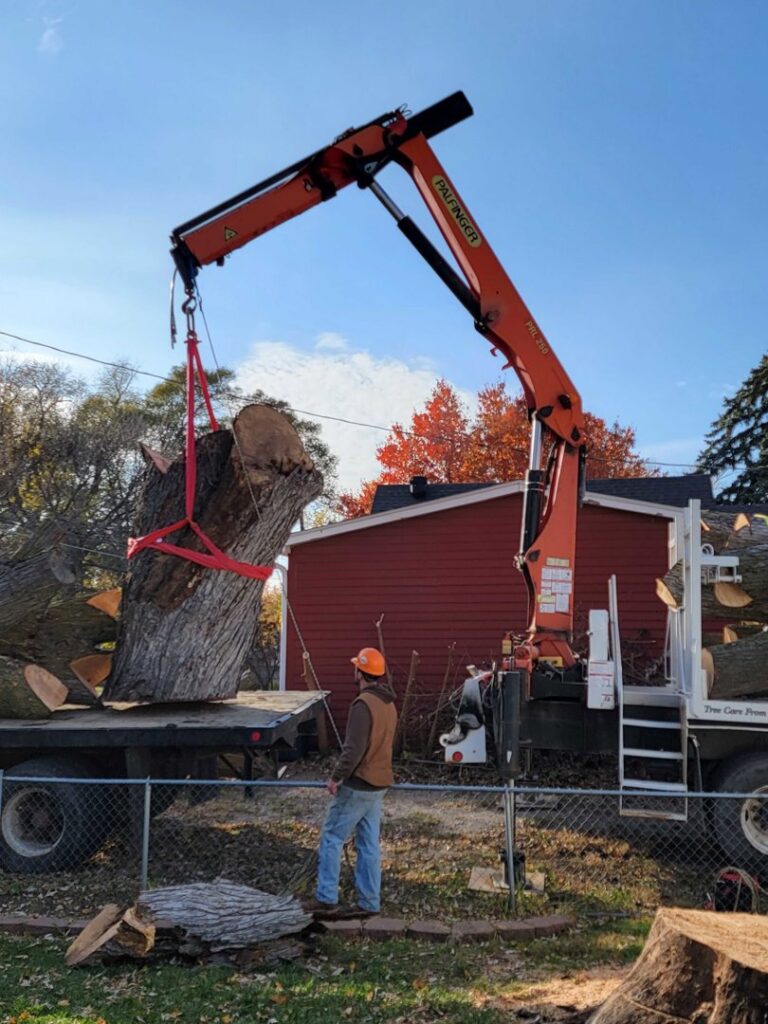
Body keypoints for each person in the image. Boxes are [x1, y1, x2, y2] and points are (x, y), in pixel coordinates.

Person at [307, 647, 397, 916]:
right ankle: (369, 903)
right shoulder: (389, 704)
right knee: (369, 844)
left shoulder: (362, 705)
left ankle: (326, 898)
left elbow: (353, 749)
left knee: (332, 837)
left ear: (360, 672)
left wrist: (336, 777)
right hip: (379, 785)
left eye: (356, 666)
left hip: (358, 784)